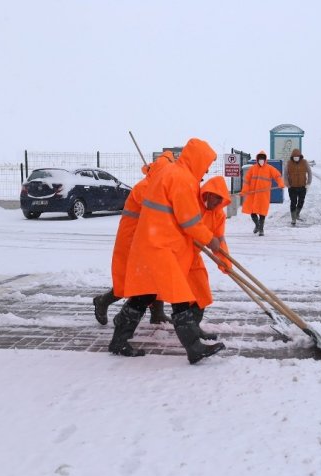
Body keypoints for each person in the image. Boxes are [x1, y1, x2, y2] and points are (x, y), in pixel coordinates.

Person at [109, 137, 225, 364]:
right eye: (207, 164)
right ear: (198, 159)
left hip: (154, 243)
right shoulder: (182, 179)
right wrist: (209, 239)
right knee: (180, 295)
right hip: (160, 246)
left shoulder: (171, 173)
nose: (206, 170)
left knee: (144, 296)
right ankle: (194, 348)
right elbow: (189, 220)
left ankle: (118, 341)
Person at [92, 151, 175, 325]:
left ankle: (157, 313)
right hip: (132, 240)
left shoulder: (156, 185)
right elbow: (158, 211)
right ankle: (103, 301)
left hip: (147, 239)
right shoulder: (146, 187)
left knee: (154, 275)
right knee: (131, 280)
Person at [185, 175, 233, 340]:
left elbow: (218, 240)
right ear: (209, 193)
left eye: (222, 199)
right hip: (178, 253)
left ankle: (193, 329)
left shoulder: (218, 215)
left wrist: (225, 263)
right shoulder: (193, 205)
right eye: (216, 197)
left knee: (202, 291)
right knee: (153, 292)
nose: (218, 202)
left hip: (194, 256)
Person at [241, 150, 285, 236]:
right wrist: (244, 190)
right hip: (253, 194)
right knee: (252, 211)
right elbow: (246, 181)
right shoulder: (253, 169)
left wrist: (281, 183)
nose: (261, 160)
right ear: (257, 159)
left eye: (263, 159)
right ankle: (257, 225)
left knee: (262, 212)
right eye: (260, 159)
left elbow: (278, 176)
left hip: (263, 194)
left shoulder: (269, 168)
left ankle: (261, 229)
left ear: (265, 160)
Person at [283, 148, 312, 226]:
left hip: (302, 186)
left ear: (300, 156)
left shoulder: (304, 162)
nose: (296, 158)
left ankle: (297, 214)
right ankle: (293, 218)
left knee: (301, 201)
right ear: (292, 156)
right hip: (292, 187)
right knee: (293, 202)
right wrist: (287, 184)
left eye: (297, 156)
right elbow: (285, 174)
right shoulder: (288, 163)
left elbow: (309, 172)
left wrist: (308, 183)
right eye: (294, 156)